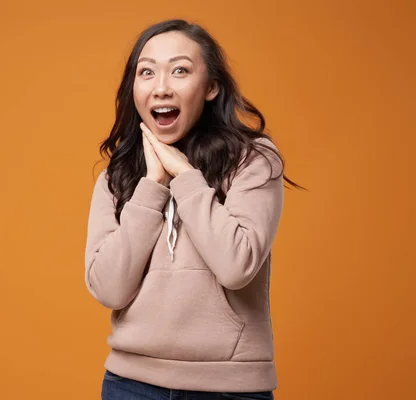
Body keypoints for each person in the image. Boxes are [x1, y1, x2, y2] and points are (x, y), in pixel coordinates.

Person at [84, 19, 303, 400]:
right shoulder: (117, 176)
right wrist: (151, 187)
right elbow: (109, 288)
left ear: (211, 87)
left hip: (228, 389)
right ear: (133, 88)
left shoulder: (253, 160)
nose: (162, 87)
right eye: (146, 72)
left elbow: (237, 266)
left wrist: (184, 175)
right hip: (130, 385)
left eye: (180, 70)